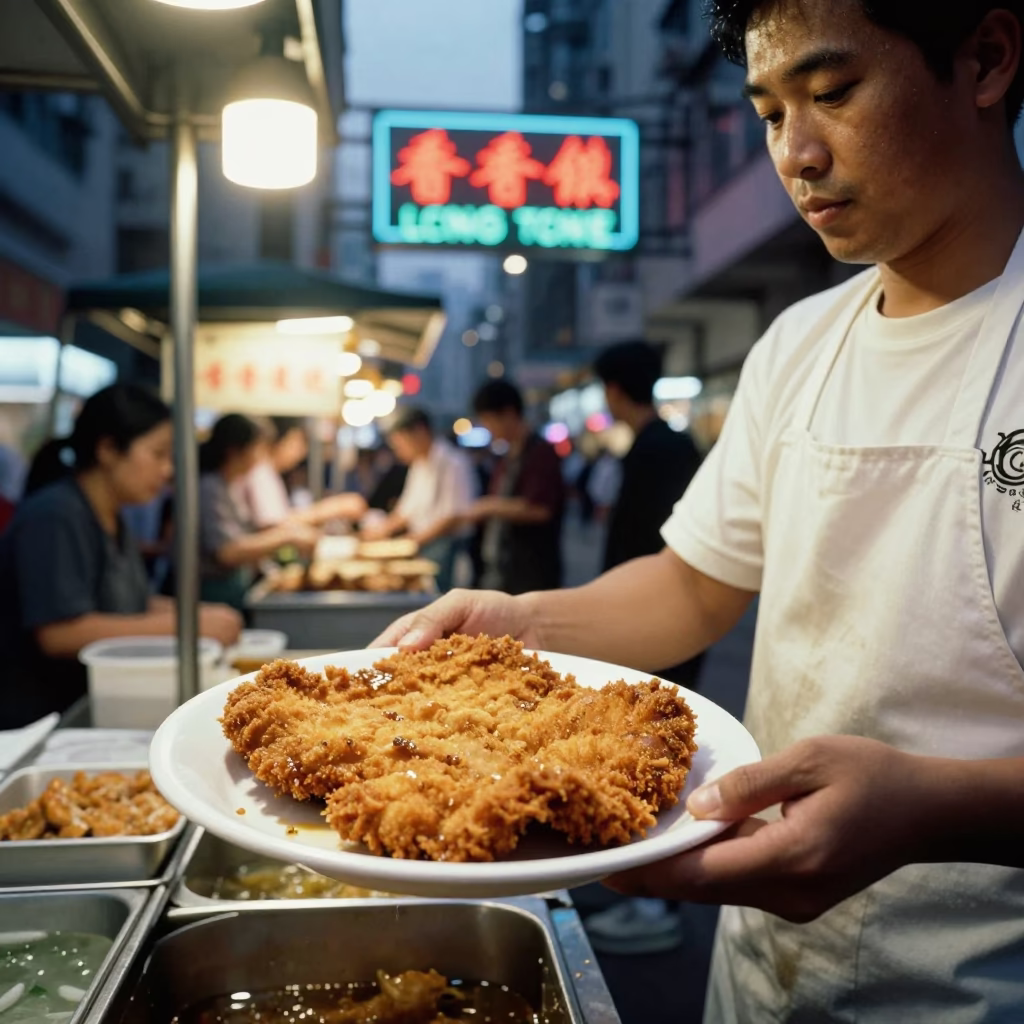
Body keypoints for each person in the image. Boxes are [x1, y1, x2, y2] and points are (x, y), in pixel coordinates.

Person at [373, 2, 1024, 1020]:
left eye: (833, 92)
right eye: (768, 114)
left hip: (981, 978)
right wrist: (521, 623)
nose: (796, 153)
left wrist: (933, 807)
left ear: (984, 60)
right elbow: (690, 585)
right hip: (757, 967)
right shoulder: (797, 345)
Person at [0, 385, 242, 729]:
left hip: (102, 706)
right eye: (158, 454)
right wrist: (188, 628)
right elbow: (60, 632)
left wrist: (198, 615)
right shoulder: (55, 515)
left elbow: (129, 602)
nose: (168, 471)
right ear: (109, 449)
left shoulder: (114, 515)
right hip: (44, 720)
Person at [581, 340, 706, 957]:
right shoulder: (668, 443)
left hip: (654, 615)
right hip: (641, 610)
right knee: (640, 742)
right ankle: (645, 886)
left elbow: (656, 551)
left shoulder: (661, 447)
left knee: (653, 745)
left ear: (613, 390)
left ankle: (657, 897)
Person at [198, 414, 319, 609]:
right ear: (234, 451)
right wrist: (288, 536)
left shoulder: (231, 484)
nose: (261, 457)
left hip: (234, 585)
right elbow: (227, 552)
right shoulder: (209, 487)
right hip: (212, 592)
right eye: (258, 448)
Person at [468, 379, 566, 594]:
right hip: (503, 567)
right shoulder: (507, 456)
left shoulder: (540, 453)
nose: (487, 427)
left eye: (488, 419)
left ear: (509, 413)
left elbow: (540, 509)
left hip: (530, 571)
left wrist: (488, 506)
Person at [364, 408, 476, 591]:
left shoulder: (453, 462)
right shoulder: (419, 465)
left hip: (448, 548)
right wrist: (381, 531)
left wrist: (410, 542)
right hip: (423, 545)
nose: (399, 452)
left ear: (420, 432)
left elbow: (454, 517)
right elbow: (406, 510)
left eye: (401, 444)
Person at [234, 416, 366, 530]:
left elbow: (279, 518)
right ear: (279, 441)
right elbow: (272, 526)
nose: (301, 451)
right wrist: (333, 508)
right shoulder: (260, 473)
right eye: (297, 442)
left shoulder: (268, 472)